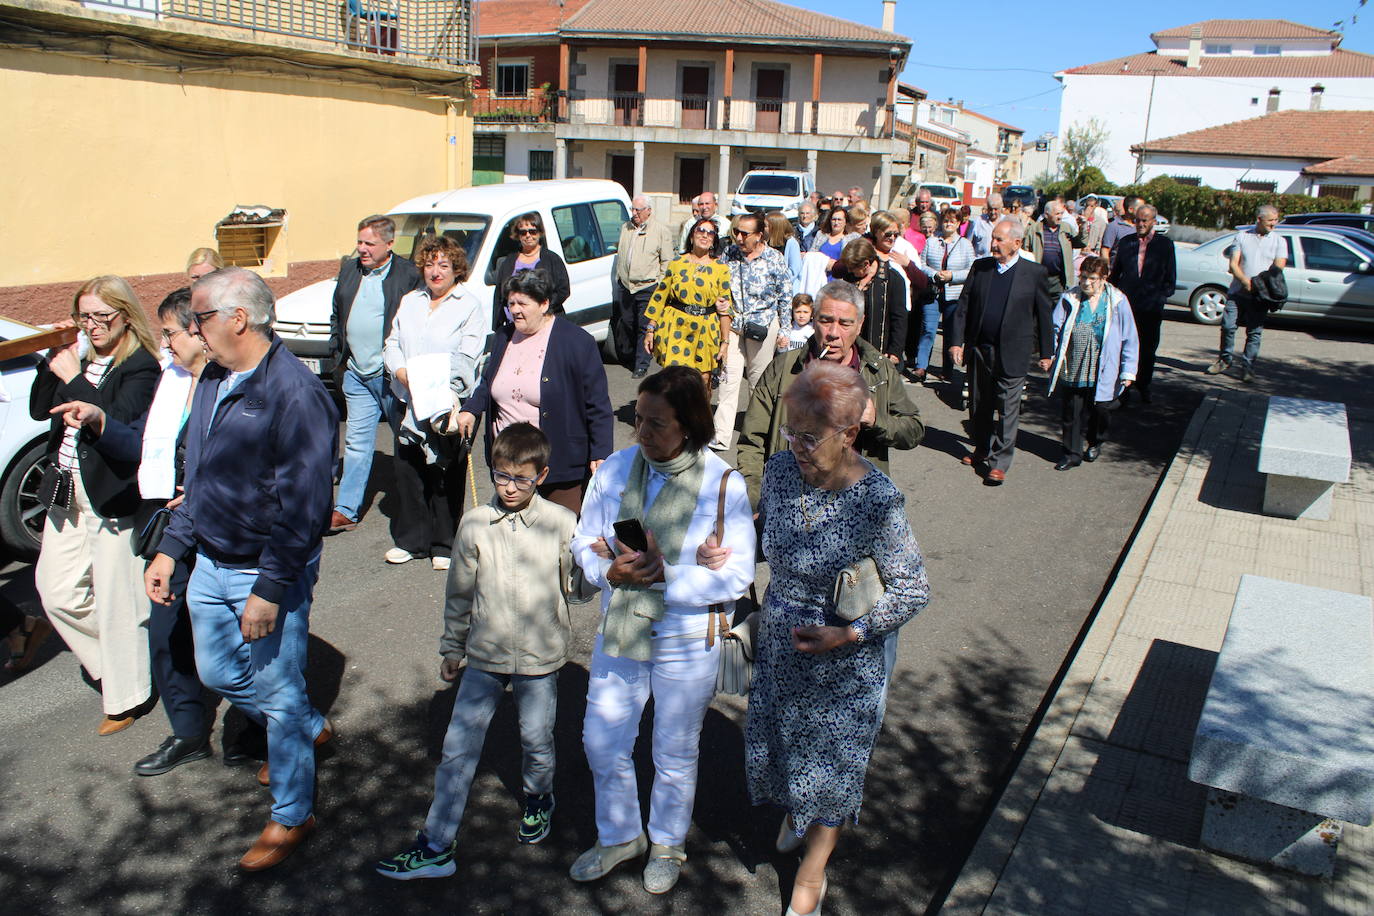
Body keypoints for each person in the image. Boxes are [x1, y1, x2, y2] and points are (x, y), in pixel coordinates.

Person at [145, 267, 338, 871]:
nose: (192, 329)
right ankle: (308, 725)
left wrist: (270, 589)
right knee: (219, 673)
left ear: (237, 320)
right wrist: (172, 547)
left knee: (277, 696)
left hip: (265, 573)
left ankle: (291, 813)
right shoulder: (213, 382)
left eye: (199, 317)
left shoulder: (296, 395)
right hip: (210, 563)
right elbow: (198, 479)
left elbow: (305, 509)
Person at [744, 360, 929, 916]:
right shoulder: (778, 472)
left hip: (844, 659)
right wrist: (724, 551)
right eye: (790, 430)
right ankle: (800, 810)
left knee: (836, 766)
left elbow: (913, 590)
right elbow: (770, 543)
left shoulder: (878, 500)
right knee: (786, 748)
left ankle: (812, 870)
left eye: (809, 435)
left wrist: (850, 633)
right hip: (782, 645)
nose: (796, 446)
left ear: (849, 434)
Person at [569, 367, 755, 895]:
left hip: (685, 636)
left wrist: (667, 576)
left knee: (674, 749)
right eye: (638, 421)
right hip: (622, 625)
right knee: (602, 741)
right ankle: (620, 835)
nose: (643, 434)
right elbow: (584, 541)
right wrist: (606, 570)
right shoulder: (617, 468)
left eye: (657, 424)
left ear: (690, 426)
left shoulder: (723, 483)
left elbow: (738, 574)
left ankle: (667, 842)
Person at [375, 423, 577, 881]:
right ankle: (435, 844)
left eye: (521, 479)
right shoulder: (475, 523)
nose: (509, 487)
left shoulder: (562, 525)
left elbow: (578, 590)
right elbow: (460, 591)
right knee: (457, 748)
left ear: (541, 475)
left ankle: (538, 798)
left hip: (539, 657)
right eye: (501, 476)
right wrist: (452, 645)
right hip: (484, 654)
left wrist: (597, 564)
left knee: (536, 740)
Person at [55, 289, 218, 773]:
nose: (163, 344)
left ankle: (262, 727)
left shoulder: (226, 381)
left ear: (198, 331)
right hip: (168, 525)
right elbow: (143, 444)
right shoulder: (171, 379)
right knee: (166, 632)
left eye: (169, 333)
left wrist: (203, 486)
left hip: (219, 524)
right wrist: (101, 420)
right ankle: (188, 732)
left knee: (226, 634)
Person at [31, 276, 160, 735]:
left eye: (102, 316)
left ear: (126, 315)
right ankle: (118, 665)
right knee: (56, 590)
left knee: (116, 600)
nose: (93, 325)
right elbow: (38, 410)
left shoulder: (142, 367)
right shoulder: (82, 360)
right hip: (66, 492)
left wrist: (74, 379)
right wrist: (53, 365)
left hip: (111, 496)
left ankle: (129, 696)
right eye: (85, 316)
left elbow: (120, 431)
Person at [737, 281, 924, 506]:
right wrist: (756, 503)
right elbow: (752, 442)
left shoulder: (878, 370)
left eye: (845, 323)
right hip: (790, 504)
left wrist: (876, 420)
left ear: (860, 324)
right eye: (826, 321)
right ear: (814, 318)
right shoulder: (784, 368)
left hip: (857, 509)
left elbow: (913, 430)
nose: (833, 333)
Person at [457, 270, 614, 515]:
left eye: (522, 303)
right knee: (513, 535)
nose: (515, 310)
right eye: (511, 304)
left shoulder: (576, 342)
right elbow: (488, 381)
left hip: (558, 459)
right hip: (510, 462)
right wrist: (471, 409)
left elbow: (597, 404)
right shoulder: (503, 337)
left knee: (559, 535)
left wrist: (601, 453)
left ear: (544, 304)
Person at [382, 235, 486, 570]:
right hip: (408, 397)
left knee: (445, 471)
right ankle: (412, 540)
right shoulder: (410, 301)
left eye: (444, 265)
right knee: (409, 469)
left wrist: (435, 386)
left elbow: (467, 355)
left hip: (447, 403)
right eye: (430, 264)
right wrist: (401, 373)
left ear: (457, 268)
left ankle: (443, 543)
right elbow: (393, 342)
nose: (436, 271)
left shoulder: (467, 304)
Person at [328, 214, 422, 533]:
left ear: (390, 244)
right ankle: (347, 509)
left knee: (407, 439)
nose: (362, 249)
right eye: (360, 242)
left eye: (370, 243)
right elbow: (337, 313)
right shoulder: (349, 270)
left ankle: (415, 506)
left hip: (391, 376)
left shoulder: (409, 275)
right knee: (355, 442)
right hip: (356, 372)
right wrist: (336, 353)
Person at [949, 219, 1054, 485]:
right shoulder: (981, 268)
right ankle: (981, 448)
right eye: (993, 238)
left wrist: (1046, 351)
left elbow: (1044, 314)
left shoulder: (1034, 273)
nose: (992, 244)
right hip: (980, 350)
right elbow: (964, 306)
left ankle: (999, 462)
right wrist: (956, 341)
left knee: (1008, 408)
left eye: (999, 240)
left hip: (1014, 352)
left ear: (1017, 243)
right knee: (979, 404)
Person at [1046, 257, 1139, 471]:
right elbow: (1055, 327)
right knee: (1072, 410)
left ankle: (1096, 440)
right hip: (1075, 362)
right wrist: (1050, 354)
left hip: (1104, 364)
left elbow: (1130, 338)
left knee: (1101, 408)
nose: (1086, 283)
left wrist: (1128, 370)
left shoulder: (1117, 301)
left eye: (1092, 279)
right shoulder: (1070, 296)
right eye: (1083, 277)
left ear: (1104, 279)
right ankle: (1071, 453)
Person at [712, 213, 793, 451]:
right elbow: (720, 285)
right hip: (734, 326)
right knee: (728, 378)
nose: (738, 237)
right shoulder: (729, 254)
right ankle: (721, 435)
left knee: (758, 383)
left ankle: (756, 434)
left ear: (759, 235)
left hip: (763, 327)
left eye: (745, 234)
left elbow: (785, 295)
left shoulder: (774, 258)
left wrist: (785, 329)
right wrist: (720, 303)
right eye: (736, 232)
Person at [642, 217, 733, 392]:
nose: (705, 235)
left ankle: (698, 418)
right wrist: (650, 329)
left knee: (703, 379)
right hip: (676, 327)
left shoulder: (720, 268)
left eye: (710, 233)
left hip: (705, 329)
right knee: (674, 379)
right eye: (700, 231)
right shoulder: (676, 263)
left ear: (714, 240)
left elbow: (725, 308)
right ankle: (674, 418)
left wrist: (725, 342)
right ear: (691, 236)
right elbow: (660, 296)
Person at [1207, 205, 1287, 383]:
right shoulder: (1242, 236)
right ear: (1259, 219)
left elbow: (1278, 267)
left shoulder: (1279, 241)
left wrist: (1258, 284)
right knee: (1228, 326)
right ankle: (1225, 359)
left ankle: (1248, 366)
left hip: (1261, 295)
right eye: (1270, 221)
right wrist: (1245, 282)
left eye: (1276, 220)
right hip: (1237, 291)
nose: (1274, 224)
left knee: (1254, 332)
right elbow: (1233, 264)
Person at [1108, 203, 1175, 404]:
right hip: (1128, 306)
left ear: (1154, 222)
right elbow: (1116, 274)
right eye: (1137, 220)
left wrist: (1161, 297)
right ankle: (1124, 389)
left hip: (1151, 306)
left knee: (1147, 349)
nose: (1140, 224)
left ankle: (1144, 385)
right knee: (1124, 347)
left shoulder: (1165, 245)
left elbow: (1170, 277)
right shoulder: (1127, 242)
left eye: (1145, 220)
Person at [615, 196, 677, 378]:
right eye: (632, 209)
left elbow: (667, 261)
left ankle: (642, 364)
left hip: (648, 286)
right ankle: (632, 356)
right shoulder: (625, 228)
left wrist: (660, 285)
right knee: (627, 322)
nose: (634, 214)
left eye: (638, 210)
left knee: (645, 326)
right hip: (626, 286)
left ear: (648, 210)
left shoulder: (660, 231)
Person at [920, 209, 976, 386]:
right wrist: (934, 274)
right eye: (945, 221)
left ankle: (948, 369)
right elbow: (921, 264)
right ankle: (921, 366)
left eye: (952, 221)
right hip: (934, 292)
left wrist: (952, 276)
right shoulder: (931, 242)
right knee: (928, 328)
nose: (948, 224)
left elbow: (971, 270)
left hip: (954, 294)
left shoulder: (965, 245)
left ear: (959, 223)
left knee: (952, 333)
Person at [490, 211, 571, 330]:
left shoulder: (552, 259)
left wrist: (539, 309)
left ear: (540, 233)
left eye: (533, 231)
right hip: (514, 327)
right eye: (523, 232)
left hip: (544, 324)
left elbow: (563, 290)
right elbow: (499, 295)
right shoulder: (509, 261)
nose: (528, 235)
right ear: (518, 235)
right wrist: (498, 326)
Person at [831, 238, 906, 363]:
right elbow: (836, 270)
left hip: (878, 347)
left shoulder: (893, 279)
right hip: (850, 349)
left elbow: (899, 319)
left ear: (866, 264)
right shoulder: (850, 277)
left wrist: (895, 351)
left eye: (853, 267)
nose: (849, 271)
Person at [1026, 200, 1077, 301]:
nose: (1060, 217)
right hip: (1039, 278)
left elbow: (1081, 243)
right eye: (1057, 214)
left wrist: (1083, 228)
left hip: (1058, 280)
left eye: (1061, 213)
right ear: (1046, 215)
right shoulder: (1034, 229)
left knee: (1057, 311)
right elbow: (1026, 250)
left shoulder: (1066, 228)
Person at [806, 206, 861, 275]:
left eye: (839, 220)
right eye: (834, 219)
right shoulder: (820, 235)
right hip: (819, 276)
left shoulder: (852, 238)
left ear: (845, 222)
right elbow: (811, 254)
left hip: (840, 278)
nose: (836, 222)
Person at [767, 211, 804, 290]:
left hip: (786, 287)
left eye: (766, 226)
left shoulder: (791, 243)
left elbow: (794, 270)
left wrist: (777, 281)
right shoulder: (766, 242)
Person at [1101, 195, 1141, 266]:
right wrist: (1107, 270)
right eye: (1140, 208)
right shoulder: (1114, 226)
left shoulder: (1140, 226)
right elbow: (1105, 250)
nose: (1143, 210)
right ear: (1130, 209)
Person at [968, 193, 1004, 258]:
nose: (993, 212)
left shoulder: (1006, 222)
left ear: (1001, 207)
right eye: (990, 209)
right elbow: (968, 244)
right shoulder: (978, 222)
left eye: (996, 209)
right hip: (981, 263)